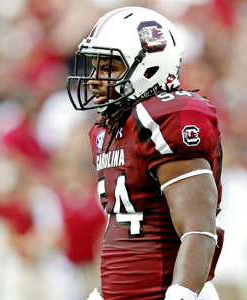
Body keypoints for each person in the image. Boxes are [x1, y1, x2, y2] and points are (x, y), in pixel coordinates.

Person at [67, 6, 224, 300]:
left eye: (109, 67)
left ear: (150, 67)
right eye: (95, 66)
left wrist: (183, 294)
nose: (94, 80)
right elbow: (125, 229)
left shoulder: (165, 118)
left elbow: (199, 229)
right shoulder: (108, 130)